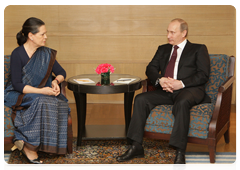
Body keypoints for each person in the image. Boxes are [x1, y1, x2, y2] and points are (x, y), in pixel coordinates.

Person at [116, 18, 211, 170]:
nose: (168, 36)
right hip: (166, 91)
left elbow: (203, 75)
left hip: (188, 90)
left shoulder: (198, 49)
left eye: (172, 32)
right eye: (167, 32)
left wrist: (180, 83)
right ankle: (136, 146)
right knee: (140, 99)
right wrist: (160, 80)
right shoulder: (163, 49)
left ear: (184, 33)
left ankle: (180, 152)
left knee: (182, 103)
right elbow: (150, 68)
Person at [4, 17, 69, 164]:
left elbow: (61, 72)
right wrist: (42, 91)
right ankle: (29, 147)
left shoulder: (46, 53)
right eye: (42, 34)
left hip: (42, 92)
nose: (46, 37)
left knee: (56, 102)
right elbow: (17, 84)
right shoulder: (18, 53)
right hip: (20, 93)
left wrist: (56, 81)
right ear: (31, 36)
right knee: (42, 99)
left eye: (46, 33)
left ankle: (43, 145)